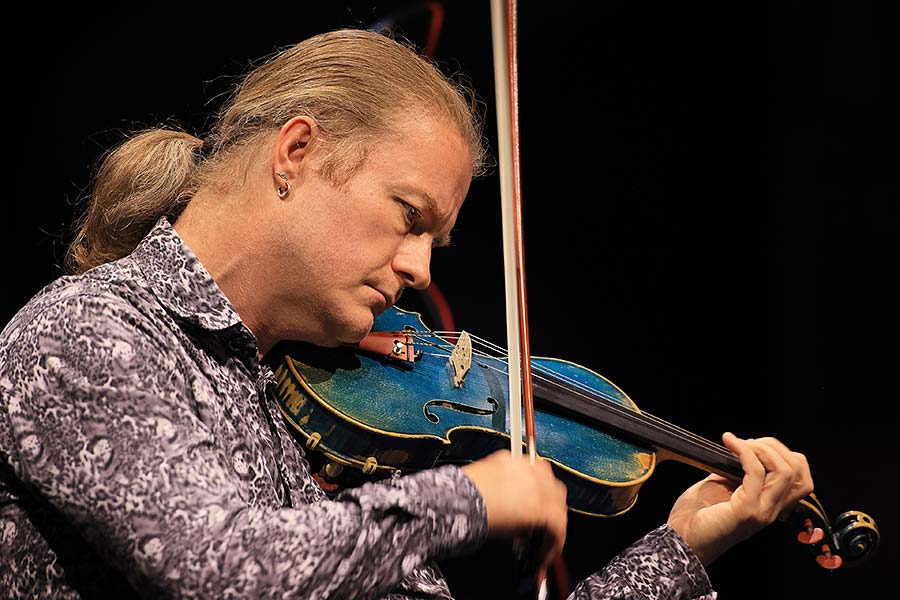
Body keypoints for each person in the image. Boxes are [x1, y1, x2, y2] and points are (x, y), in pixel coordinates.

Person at [0, 28, 813, 599]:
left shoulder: (299, 396)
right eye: (410, 214)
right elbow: (217, 568)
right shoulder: (88, 333)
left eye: (438, 238)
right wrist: (469, 499)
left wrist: (681, 552)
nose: (421, 270)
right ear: (297, 154)